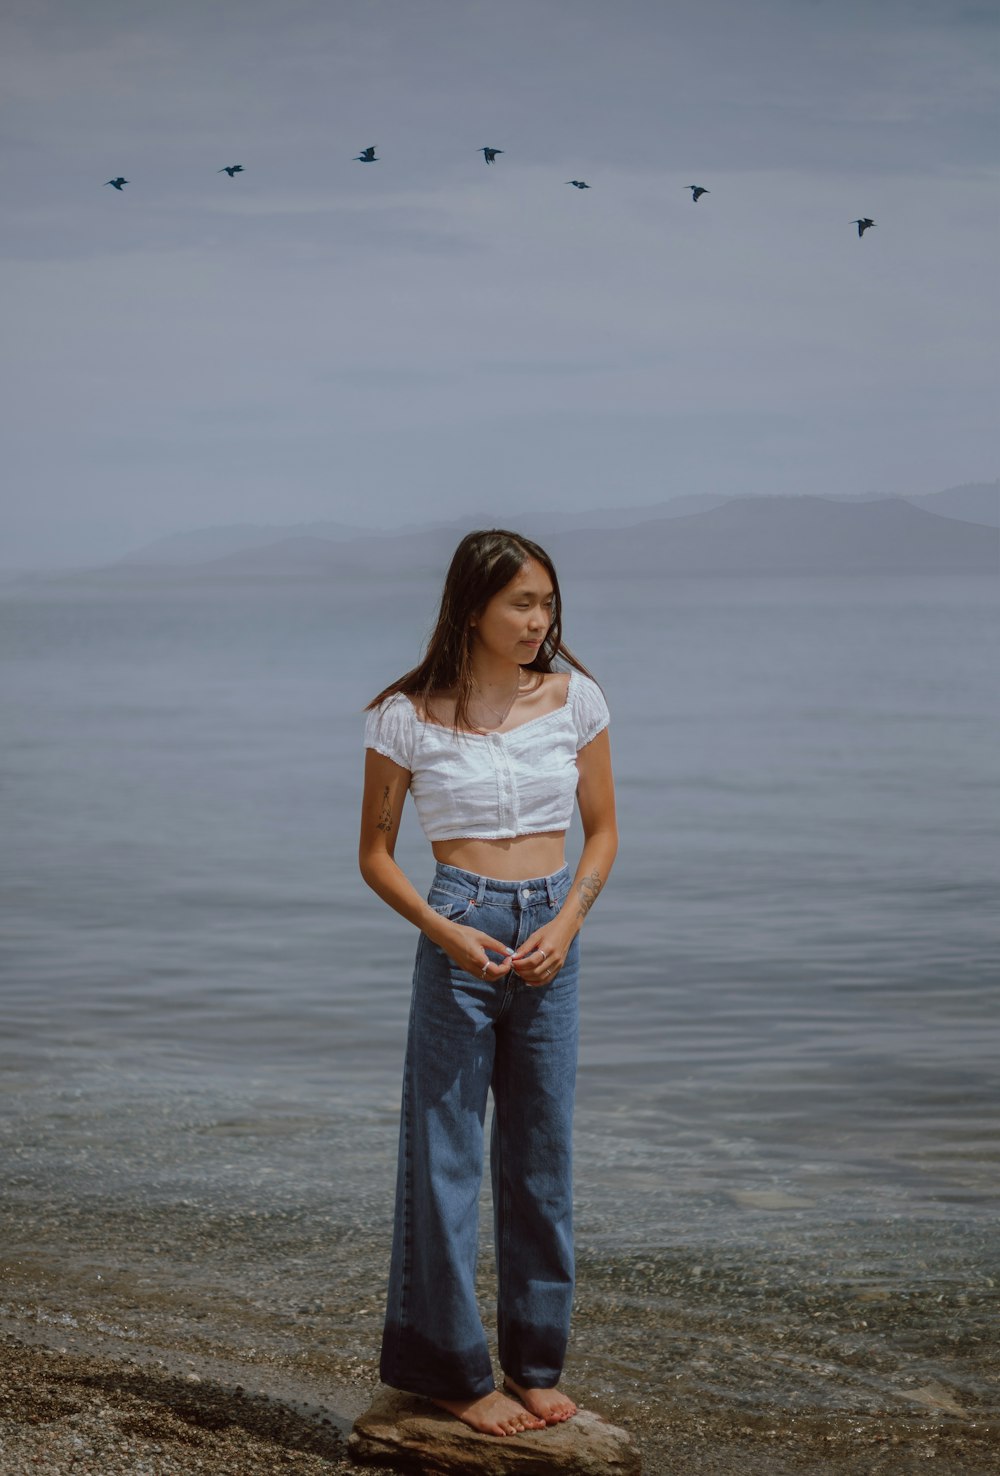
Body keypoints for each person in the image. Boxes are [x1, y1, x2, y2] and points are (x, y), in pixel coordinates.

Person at [359, 528, 618, 1439]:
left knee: (542, 1160)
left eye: (547, 602)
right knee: (445, 1162)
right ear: (472, 608)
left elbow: (604, 835)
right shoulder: (406, 715)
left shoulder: (576, 699)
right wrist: (444, 930)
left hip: (552, 934)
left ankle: (537, 1363)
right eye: (521, 602)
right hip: (458, 934)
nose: (539, 619)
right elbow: (376, 857)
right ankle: (451, 1373)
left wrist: (567, 922)